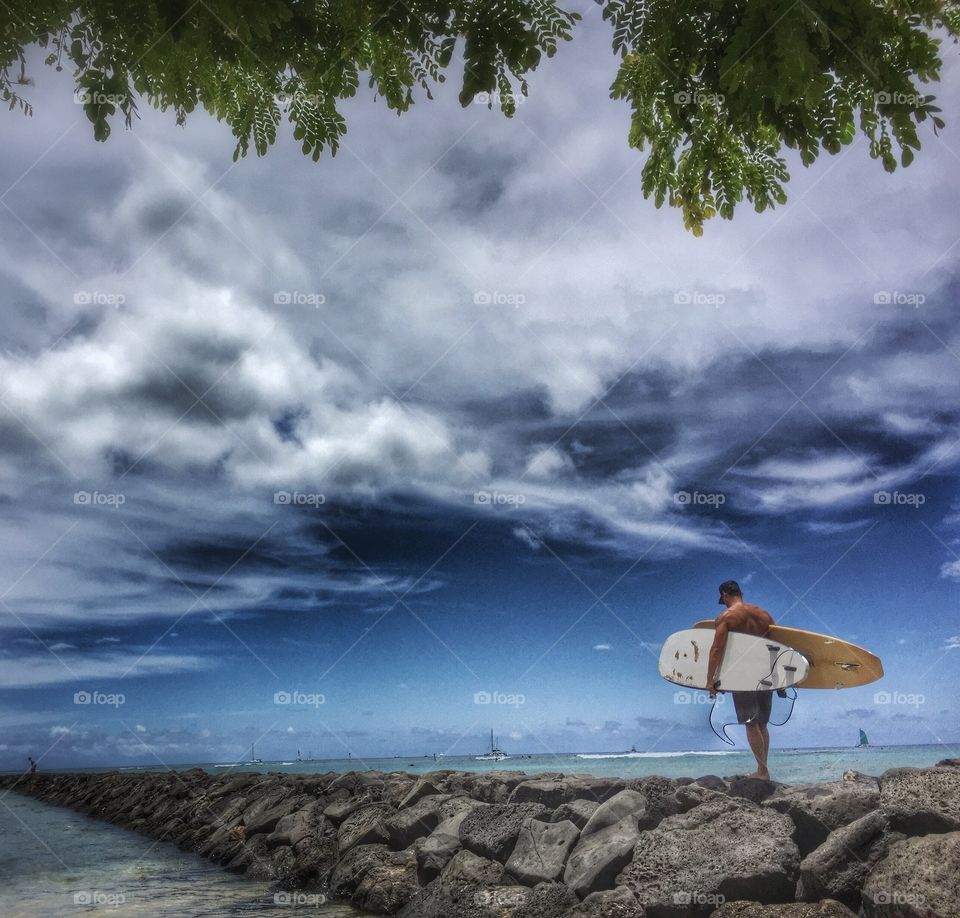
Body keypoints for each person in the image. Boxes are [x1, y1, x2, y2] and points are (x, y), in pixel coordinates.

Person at [704, 580, 776, 780]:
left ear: (725, 595)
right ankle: (764, 769)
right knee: (762, 724)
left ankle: (762, 772)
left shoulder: (726, 617)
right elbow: (774, 646)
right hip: (765, 674)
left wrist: (711, 681)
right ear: (740, 593)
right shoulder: (764, 615)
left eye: (723, 599)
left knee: (750, 723)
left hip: (743, 675)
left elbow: (717, 649)